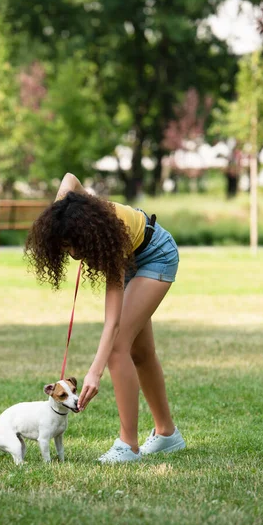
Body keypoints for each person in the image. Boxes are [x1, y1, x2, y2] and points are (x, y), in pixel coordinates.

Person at [24, 173, 185, 464]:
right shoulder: (72, 214)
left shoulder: (110, 240)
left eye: (76, 246)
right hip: (135, 255)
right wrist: (60, 211)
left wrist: (94, 372)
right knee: (141, 351)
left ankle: (128, 445)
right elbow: (70, 179)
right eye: (66, 246)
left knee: (119, 346)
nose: (73, 254)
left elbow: (113, 323)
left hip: (156, 254)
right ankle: (167, 435)